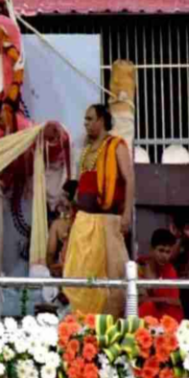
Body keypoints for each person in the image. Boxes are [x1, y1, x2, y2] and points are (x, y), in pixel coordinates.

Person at [64, 104, 134, 316]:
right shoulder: (86, 149)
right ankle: (81, 320)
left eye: (89, 119)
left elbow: (129, 179)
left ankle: (110, 320)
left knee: (113, 274)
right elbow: (82, 184)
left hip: (108, 221)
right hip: (83, 222)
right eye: (85, 119)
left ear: (102, 120)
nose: (85, 123)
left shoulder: (116, 145)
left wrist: (127, 214)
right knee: (79, 271)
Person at [138, 229, 184, 322]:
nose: (164, 256)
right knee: (147, 306)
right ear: (152, 249)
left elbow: (176, 301)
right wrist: (164, 299)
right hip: (146, 315)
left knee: (175, 310)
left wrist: (155, 298)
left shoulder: (170, 269)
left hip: (165, 316)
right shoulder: (139, 268)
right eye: (161, 250)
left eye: (168, 252)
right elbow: (139, 300)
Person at [47, 180, 78, 277]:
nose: (60, 199)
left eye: (63, 195)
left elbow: (50, 253)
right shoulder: (85, 223)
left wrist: (51, 268)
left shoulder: (57, 225)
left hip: (62, 272)